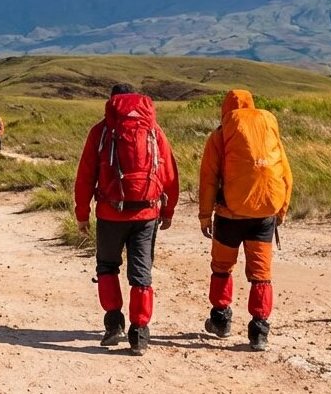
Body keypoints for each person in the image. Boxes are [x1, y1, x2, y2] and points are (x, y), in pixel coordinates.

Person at [74, 84, 180, 356]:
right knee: (141, 273)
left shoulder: (101, 131)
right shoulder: (153, 131)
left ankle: (113, 325)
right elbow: (169, 173)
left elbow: (85, 175)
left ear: (111, 102)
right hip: (146, 213)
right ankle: (139, 333)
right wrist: (168, 211)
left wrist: (82, 213)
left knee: (107, 266)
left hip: (110, 213)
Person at [198, 89, 294, 351]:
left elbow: (208, 179)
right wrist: (281, 209)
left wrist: (205, 215)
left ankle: (221, 320)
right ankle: (259, 331)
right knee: (261, 274)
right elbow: (285, 173)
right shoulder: (269, 130)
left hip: (229, 215)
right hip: (264, 214)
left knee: (222, 267)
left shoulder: (220, 135)